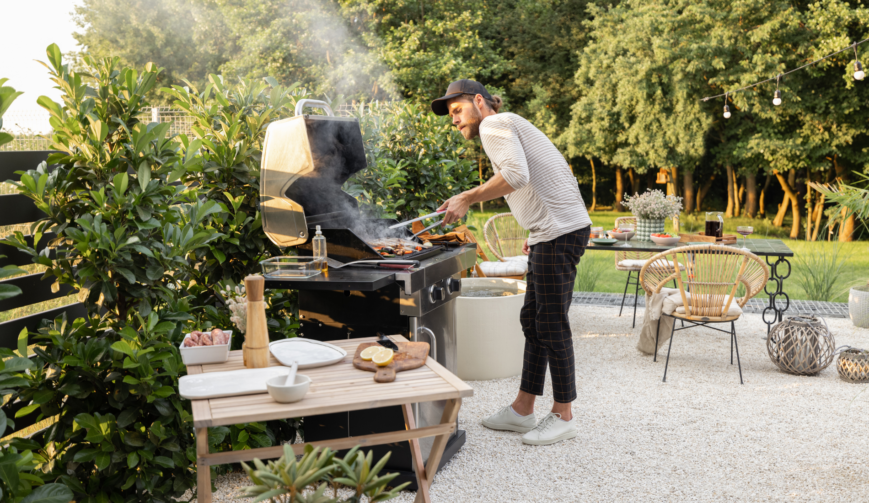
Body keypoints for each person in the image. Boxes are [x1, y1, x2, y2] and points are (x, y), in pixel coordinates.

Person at [432, 79, 593, 446]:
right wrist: (536, 223)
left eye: (457, 110)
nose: (454, 120)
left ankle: (564, 414)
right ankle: (523, 409)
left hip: (558, 232)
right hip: (550, 232)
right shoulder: (507, 124)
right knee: (533, 320)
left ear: (478, 101)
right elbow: (541, 173)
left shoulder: (493, 124)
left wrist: (467, 198)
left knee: (551, 323)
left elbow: (516, 175)